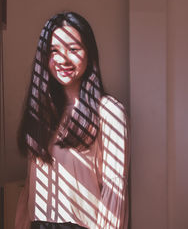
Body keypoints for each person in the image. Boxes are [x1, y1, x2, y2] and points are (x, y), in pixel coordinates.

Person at [15, 12, 129, 229]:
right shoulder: (41, 111)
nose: (62, 59)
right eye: (54, 51)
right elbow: (30, 184)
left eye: (74, 49)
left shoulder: (109, 112)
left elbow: (114, 192)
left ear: (89, 54)